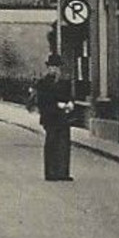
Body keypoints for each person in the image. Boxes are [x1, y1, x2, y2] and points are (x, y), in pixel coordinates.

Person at [34, 54, 74, 182]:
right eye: (52, 67)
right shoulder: (44, 83)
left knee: (63, 143)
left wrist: (70, 104)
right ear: (48, 68)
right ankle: (50, 172)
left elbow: (69, 96)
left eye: (57, 67)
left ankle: (63, 172)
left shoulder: (64, 83)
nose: (55, 70)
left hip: (63, 118)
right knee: (51, 143)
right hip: (50, 117)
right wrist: (56, 105)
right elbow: (42, 102)